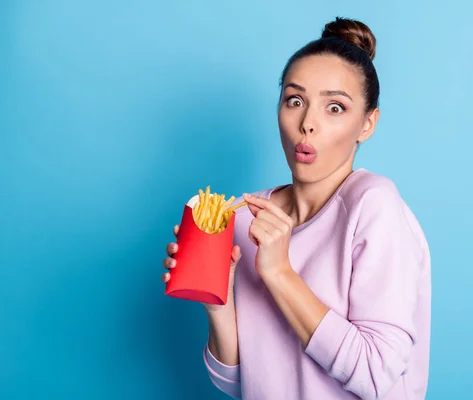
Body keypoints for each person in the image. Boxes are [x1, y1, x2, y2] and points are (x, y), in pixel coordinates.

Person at [162, 17, 431, 400]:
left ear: (367, 123)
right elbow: (242, 384)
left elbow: (376, 376)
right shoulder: (241, 218)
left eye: (335, 108)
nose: (307, 124)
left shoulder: (373, 205)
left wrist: (279, 272)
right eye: (295, 101)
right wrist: (217, 300)